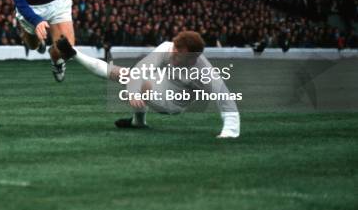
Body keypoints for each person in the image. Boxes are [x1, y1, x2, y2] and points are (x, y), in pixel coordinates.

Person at [55, 31, 241, 138]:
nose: (173, 53)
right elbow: (141, 69)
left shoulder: (204, 70)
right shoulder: (167, 48)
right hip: (160, 84)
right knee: (125, 74)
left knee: (137, 81)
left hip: (174, 104)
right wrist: (134, 90)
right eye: (174, 49)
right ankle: (74, 54)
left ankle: (138, 120)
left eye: (179, 52)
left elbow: (225, 98)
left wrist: (229, 131)